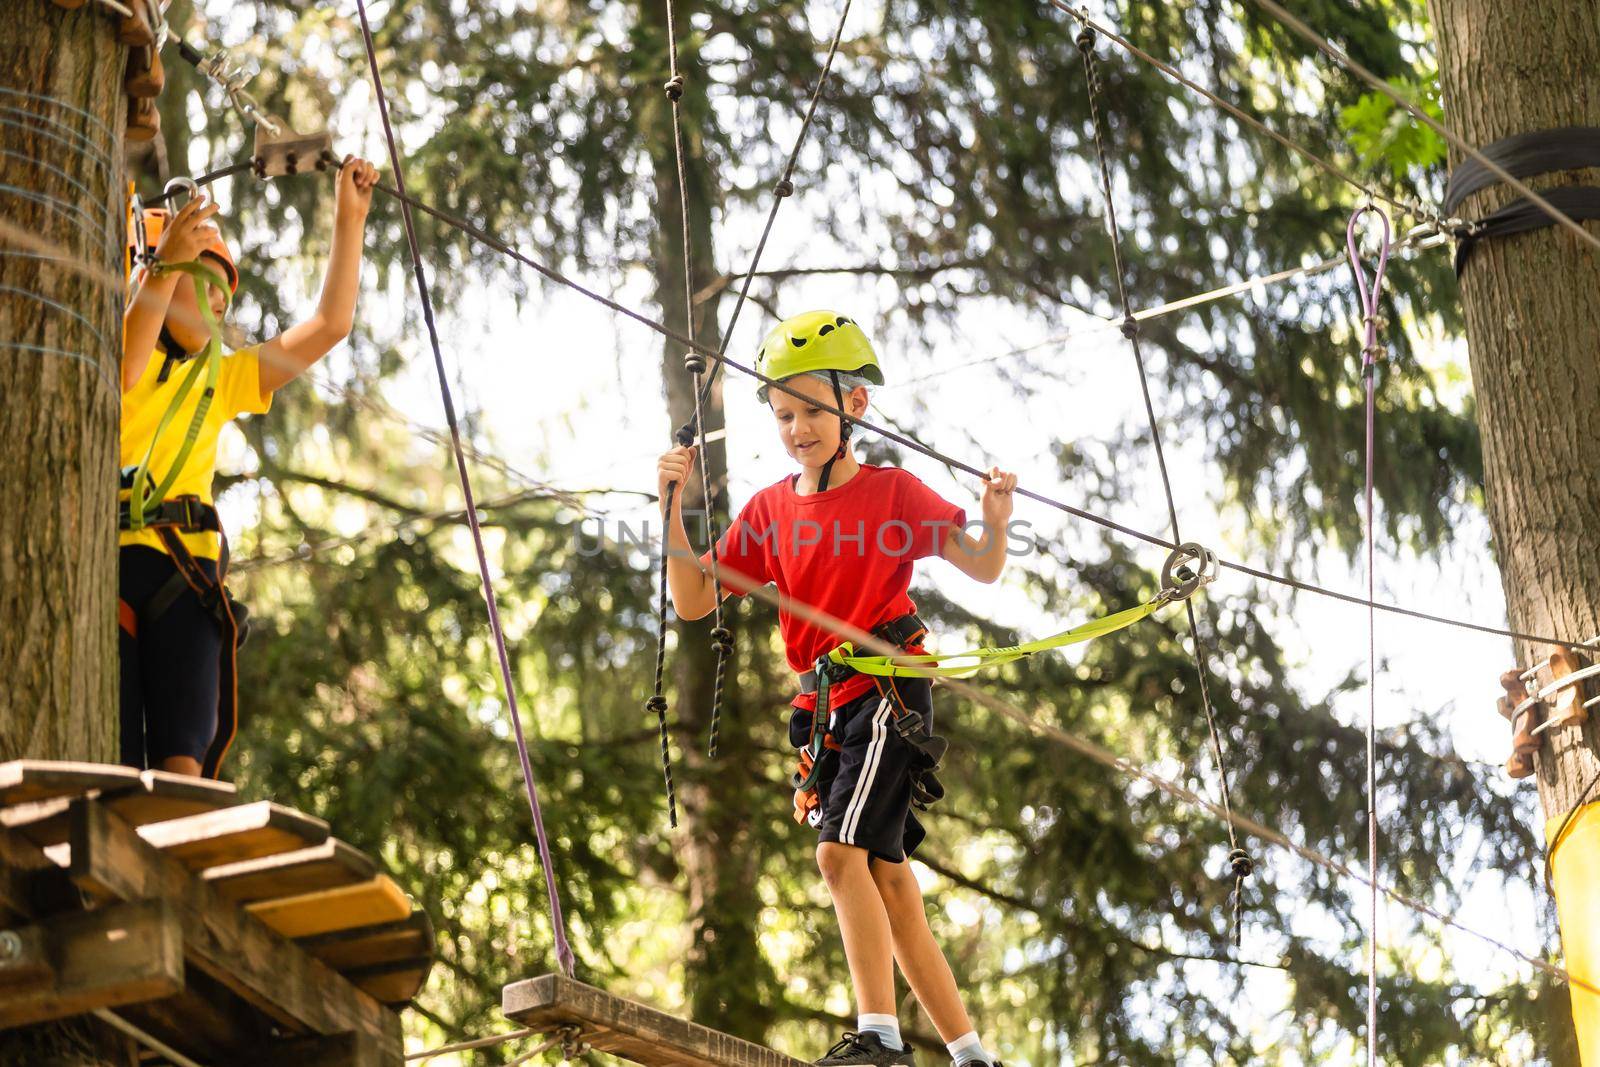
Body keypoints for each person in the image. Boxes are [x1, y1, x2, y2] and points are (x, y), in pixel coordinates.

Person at [657, 311, 1015, 1066]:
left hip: (886, 689)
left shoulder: (892, 494)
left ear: (855, 405)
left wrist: (993, 519)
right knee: (886, 877)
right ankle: (972, 1054)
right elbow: (694, 600)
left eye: (812, 409)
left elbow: (981, 565)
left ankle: (880, 1038)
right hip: (828, 708)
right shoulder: (769, 511)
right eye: (783, 414)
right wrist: (671, 510)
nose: (796, 428)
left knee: (837, 854)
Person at [118, 156, 380, 778]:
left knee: (184, 753)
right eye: (200, 281)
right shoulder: (114, 346)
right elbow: (123, 369)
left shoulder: (224, 377)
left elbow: (329, 326)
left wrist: (349, 220)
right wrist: (158, 271)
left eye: (222, 293)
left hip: (186, 574)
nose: (215, 302)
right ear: (153, 272)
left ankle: (179, 847)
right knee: (118, 754)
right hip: (114, 567)